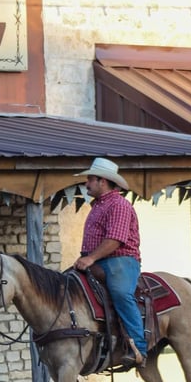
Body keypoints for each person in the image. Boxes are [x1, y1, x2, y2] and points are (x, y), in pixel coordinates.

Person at [72, 157, 147, 368]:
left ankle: (138, 349)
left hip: (120, 260)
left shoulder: (119, 205)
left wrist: (90, 258)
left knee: (121, 294)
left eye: (90, 179)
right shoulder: (98, 206)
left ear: (102, 181)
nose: (86, 183)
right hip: (97, 260)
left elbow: (115, 240)